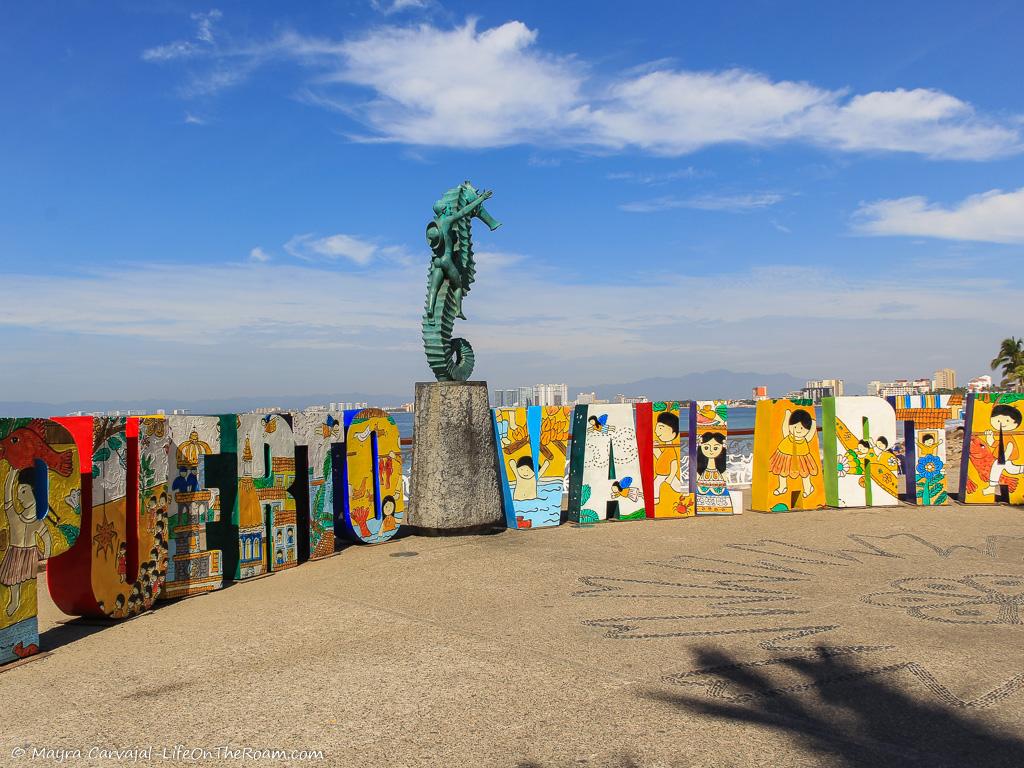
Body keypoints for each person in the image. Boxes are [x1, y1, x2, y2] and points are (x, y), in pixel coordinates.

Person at [1, 467, 52, 617]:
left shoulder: (37, 520)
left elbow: (46, 537)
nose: (19, 497)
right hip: (15, 552)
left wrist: (48, 553)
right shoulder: (15, 517)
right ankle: (15, 600)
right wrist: (10, 477)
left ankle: (20, 603)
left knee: (26, 581)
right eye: (18, 492)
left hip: (30, 553)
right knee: (13, 580)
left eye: (23, 491)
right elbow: (7, 500)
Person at [769, 409, 818, 498]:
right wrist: (787, 416)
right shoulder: (788, 436)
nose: (798, 430)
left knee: (805, 473)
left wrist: (813, 425)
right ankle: (782, 487)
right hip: (784, 455)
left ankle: (808, 488)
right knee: (782, 471)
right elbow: (784, 428)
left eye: (802, 428)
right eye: (795, 427)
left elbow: (810, 435)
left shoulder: (804, 440)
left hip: (801, 457)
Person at [983, 404, 1024, 496]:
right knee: (1012, 470)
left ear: (1016, 424)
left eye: (1007, 420)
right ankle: (991, 487)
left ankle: (991, 487)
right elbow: (993, 444)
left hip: (1004, 458)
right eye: (998, 420)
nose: (1002, 423)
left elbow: (1010, 447)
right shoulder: (1002, 435)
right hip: (1003, 459)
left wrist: (1004, 458)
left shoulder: (1008, 436)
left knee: (998, 467)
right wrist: (989, 437)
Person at [652, 412, 685, 502]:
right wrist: (655, 449)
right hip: (662, 473)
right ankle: (683, 495)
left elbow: (674, 465)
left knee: (657, 484)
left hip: (665, 474)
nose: (656, 431)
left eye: (661, 428)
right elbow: (661, 458)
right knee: (676, 485)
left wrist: (670, 477)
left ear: (673, 434)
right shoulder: (666, 449)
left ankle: (656, 499)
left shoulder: (671, 450)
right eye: (657, 428)